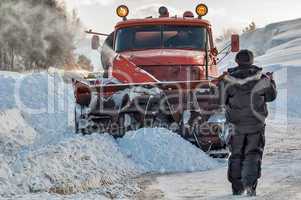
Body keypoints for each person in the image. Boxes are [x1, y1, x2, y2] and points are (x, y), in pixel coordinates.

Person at [223, 49, 277, 196]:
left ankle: (237, 188)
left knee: (236, 154)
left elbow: (220, 100)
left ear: (237, 61)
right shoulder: (262, 79)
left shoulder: (227, 79)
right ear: (252, 61)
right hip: (256, 124)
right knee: (253, 154)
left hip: (236, 125)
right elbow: (271, 96)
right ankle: (250, 187)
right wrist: (271, 80)